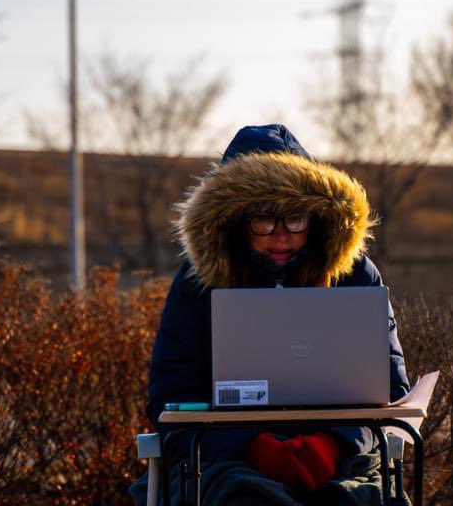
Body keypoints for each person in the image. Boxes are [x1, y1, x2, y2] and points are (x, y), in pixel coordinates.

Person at [130, 124, 410, 506]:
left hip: (342, 460)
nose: (281, 234)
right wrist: (253, 445)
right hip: (224, 462)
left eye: (295, 217)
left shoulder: (355, 274)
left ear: (316, 218)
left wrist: (334, 443)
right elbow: (171, 394)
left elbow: (390, 390)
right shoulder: (198, 282)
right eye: (263, 219)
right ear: (234, 221)